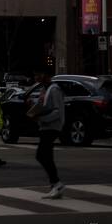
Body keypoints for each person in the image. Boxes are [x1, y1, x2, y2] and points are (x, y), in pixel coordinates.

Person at [30, 68, 65, 199]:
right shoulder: (45, 89)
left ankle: (57, 184)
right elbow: (45, 106)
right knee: (46, 156)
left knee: (42, 155)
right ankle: (55, 186)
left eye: (37, 74)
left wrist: (41, 118)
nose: (35, 78)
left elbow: (57, 111)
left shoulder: (54, 89)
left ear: (45, 74)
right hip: (45, 127)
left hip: (52, 127)